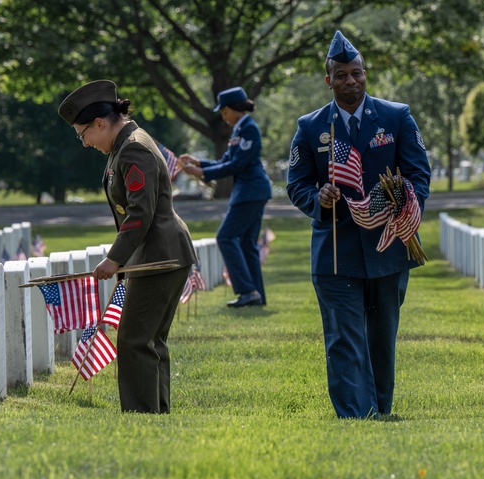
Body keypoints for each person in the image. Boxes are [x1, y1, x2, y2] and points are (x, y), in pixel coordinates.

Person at [286, 30, 431, 418]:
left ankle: (380, 409)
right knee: (344, 337)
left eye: (358, 73)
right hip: (337, 250)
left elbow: (420, 174)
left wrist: (403, 202)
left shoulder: (396, 116)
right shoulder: (311, 126)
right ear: (328, 78)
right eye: (343, 75)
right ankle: (356, 414)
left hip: (389, 248)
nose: (352, 81)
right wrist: (318, 199)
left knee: (381, 338)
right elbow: (296, 184)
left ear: (365, 74)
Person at [59, 80, 197, 414]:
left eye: (83, 134)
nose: (85, 143)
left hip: (159, 256)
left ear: (100, 124)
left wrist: (113, 259)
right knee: (149, 340)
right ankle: (156, 412)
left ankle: (142, 416)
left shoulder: (133, 147)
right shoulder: (125, 145)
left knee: (134, 340)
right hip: (159, 253)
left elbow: (140, 213)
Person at [179, 86, 272, 308]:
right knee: (247, 244)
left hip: (250, 192)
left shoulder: (248, 129)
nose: (223, 116)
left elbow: (237, 164)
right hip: (250, 192)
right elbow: (225, 161)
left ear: (233, 109)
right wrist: (199, 163)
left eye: (224, 112)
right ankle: (255, 295)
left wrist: (202, 173)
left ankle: (247, 291)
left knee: (225, 237)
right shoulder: (240, 130)